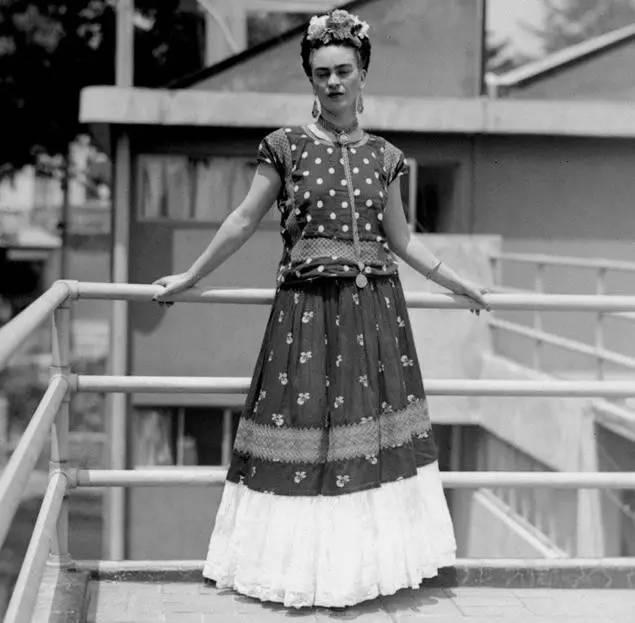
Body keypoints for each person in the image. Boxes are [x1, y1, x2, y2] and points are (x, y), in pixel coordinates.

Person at [152, 9, 489, 609]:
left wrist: (456, 282)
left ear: (363, 75)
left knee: (367, 443)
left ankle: (357, 576)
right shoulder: (284, 147)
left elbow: (403, 240)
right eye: (322, 73)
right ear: (310, 79)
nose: (334, 82)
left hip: (376, 317)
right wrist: (191, 276)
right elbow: (243, 219)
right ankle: (303, 577)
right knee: (304, 439)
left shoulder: (385, 156)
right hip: (306, 316)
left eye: (344, 71)